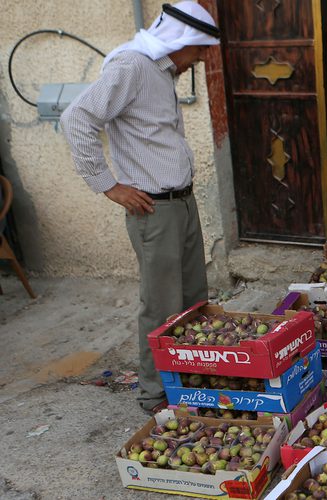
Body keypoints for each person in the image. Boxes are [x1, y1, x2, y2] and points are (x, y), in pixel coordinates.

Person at [60, 2, 220, 414]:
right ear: (181, 40)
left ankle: (190, 382)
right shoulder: (132, 66)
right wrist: (108, 185)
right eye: (200, 49)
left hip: (181, 203)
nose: (201, 57)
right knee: (162, 305)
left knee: (193, 301)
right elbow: (77, 119)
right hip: (154, 211)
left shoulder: (160, 72)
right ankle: (155, 394)